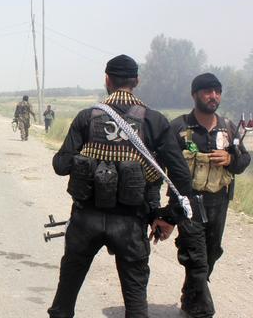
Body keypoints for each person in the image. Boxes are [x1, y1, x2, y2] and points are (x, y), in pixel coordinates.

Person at [48, 54, 192, 318]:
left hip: (85, 220)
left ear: (107, 80)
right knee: (136, 305)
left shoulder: (87, 117)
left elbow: (60, 166)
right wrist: (169, 217)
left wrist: (88, 156)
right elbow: (182, 178)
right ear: (136, 81)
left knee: (64, 301)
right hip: (132, 222)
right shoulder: (154, 121)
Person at [170, 73, 250, 318]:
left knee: (211, 252)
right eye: (207, 91)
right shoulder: (179, 127)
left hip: (219, 202)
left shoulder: (228, 127)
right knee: (196, 257)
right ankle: (202, 311)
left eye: (217, 91)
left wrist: (230, 159)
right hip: (188, 203)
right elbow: (161, 165)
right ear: (195, 94)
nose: (213, 96)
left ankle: (190, 296)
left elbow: (244, 160)